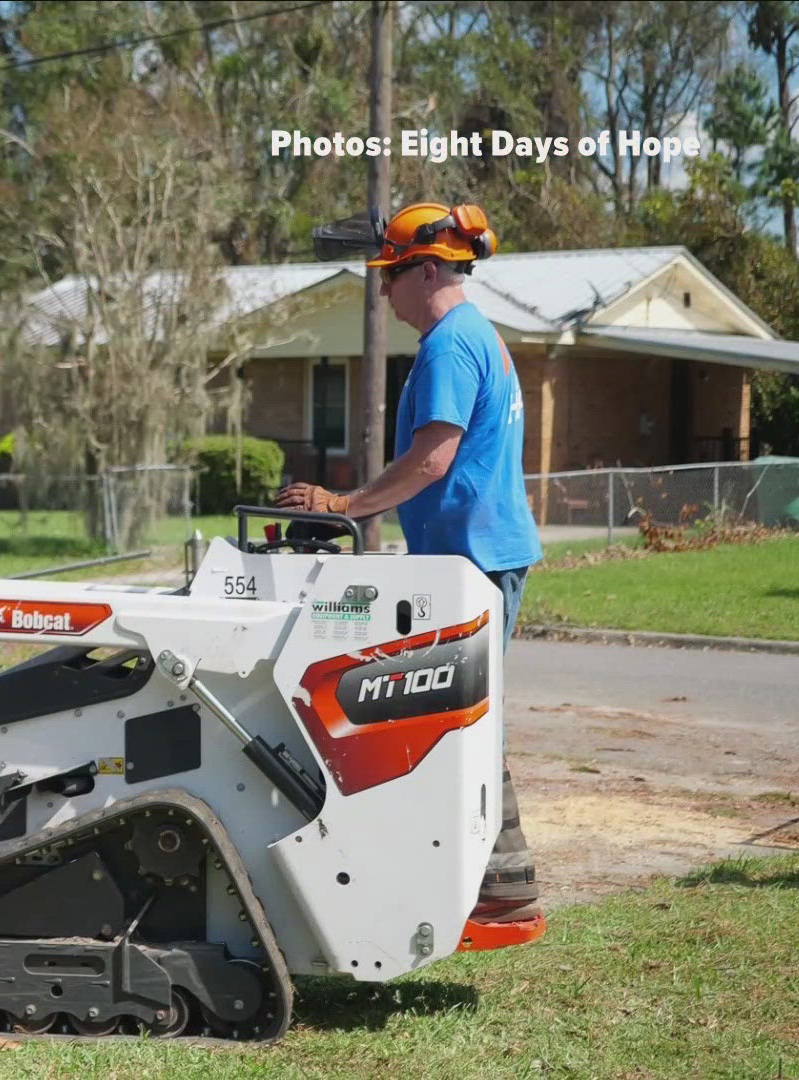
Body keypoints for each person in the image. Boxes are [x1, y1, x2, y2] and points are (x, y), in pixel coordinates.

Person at [277, 202, 543, 926]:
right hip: (477, 552)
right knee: (461, 715)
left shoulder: (451, 345)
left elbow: (432, 461)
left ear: (428, 270)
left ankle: (502, 883)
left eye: (392, 277)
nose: (385, 294)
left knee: (459, 719)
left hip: (476, 559)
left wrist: (346, 504)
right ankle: (498, 880)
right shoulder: (472, 334)